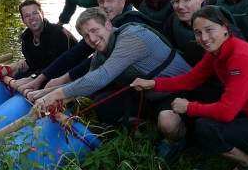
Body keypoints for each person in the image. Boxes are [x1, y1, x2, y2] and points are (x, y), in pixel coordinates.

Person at [131, 6, 248, 170]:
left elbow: (226, 112)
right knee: (205, 113)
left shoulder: (240, 57)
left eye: (209, 30)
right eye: (197, 32)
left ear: (225, 28)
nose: (204, 38)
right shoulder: (217, 52)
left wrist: (189, 107)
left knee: (205, 128)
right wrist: (152, 83)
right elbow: (190, 80)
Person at [33, 7, 190, 126]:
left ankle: (175, 141)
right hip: (150, 93)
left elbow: (101, 78)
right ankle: (145, 123)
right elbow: (87, 82)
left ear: (108, 25)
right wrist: (44, 95)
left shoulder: (131, 37)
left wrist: (52, 96)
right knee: (103, 104)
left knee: (167, 122)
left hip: (182, 91)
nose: (92, 39)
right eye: (86, 36)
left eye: (95, 30)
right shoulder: (101, 52)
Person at [17, 0, 149, 93]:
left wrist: (61, 83)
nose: (105, 5)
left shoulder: (133, 25)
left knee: (107, 109)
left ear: (123, 1)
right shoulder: (102, 23)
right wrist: (40, 79)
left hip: (146, 83)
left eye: (110, 0)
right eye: (101, 2)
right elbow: (76, 53)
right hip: (120, 77)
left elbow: (101, 67)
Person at [14, 0, 77, 79]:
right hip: (45, 73)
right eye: (27, 16)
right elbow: (34, 65)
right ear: (23, 20)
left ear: (42, 14)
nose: (31, 18)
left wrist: (32, 78)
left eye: (35, 13)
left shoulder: (58, 33)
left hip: (70, 74)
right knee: (17, 77)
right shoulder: (26, 38)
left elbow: (58, 67)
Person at [163, 0, 206, 65]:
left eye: (186, 0)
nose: (180, 6)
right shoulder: (172, 21)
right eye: (176, 1)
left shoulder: (217, 19)